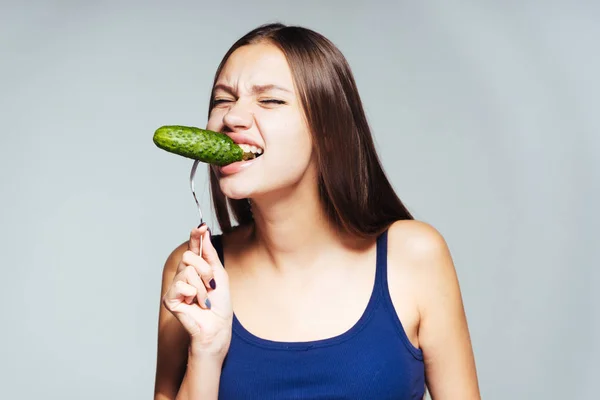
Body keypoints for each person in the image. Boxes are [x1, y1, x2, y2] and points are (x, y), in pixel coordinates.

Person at [153, 23, 481, 400]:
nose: (232, 118)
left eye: (269, 100)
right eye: (223, 100)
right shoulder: (194, 270)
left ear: (327, 130)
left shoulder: (415, 257)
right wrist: (207, 354)